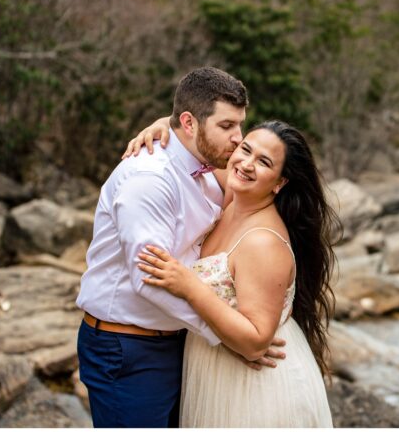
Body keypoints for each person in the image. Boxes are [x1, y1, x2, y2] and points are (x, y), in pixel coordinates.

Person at [75, 67, 285, 428]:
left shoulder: (210, 171)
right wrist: (225, 336)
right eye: (226, 126)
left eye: (240, 125)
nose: (238, 139)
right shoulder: (150, 180)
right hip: (126, 348)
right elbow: (149, 279)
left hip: (175, 344)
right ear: (189, 124)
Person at [126, 117, 338, 427]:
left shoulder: (263, 242)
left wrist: (189, 285)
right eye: (245, 149)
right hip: (216, 371)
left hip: (255, 389)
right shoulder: (233, 196)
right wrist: (164, 126)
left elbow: (255, 342)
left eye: (264, 162)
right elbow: (196, 143)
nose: (246, 164)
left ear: (280, 183)